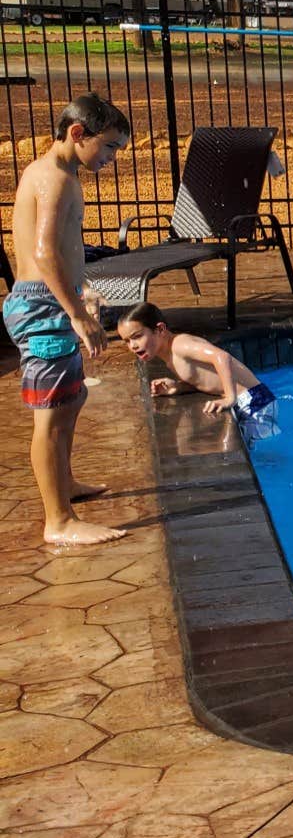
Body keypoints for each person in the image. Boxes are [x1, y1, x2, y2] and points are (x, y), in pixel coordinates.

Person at [6, 94, 131, 545]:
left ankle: (66, 484)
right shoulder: (54, 180)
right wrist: (76, 313)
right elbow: (43, 254)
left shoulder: (55, 174)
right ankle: (57, 521)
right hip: (43, 306)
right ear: (78, 133)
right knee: (51, 415)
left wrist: (82, 291)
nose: (111, 159)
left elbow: (62, 251)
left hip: (52, 299)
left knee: (70, 399)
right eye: (110, 147)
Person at [118, 302, 281, 440]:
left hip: (255, 401)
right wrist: (178, 387)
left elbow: (222, 357)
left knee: (264, 458)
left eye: (137, 336)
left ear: (160, 329)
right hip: (244, 401)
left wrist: (230, 398)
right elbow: (206, 379)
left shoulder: (181, 345)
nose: (132, 345)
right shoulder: (170, 357)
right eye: (127, 341)